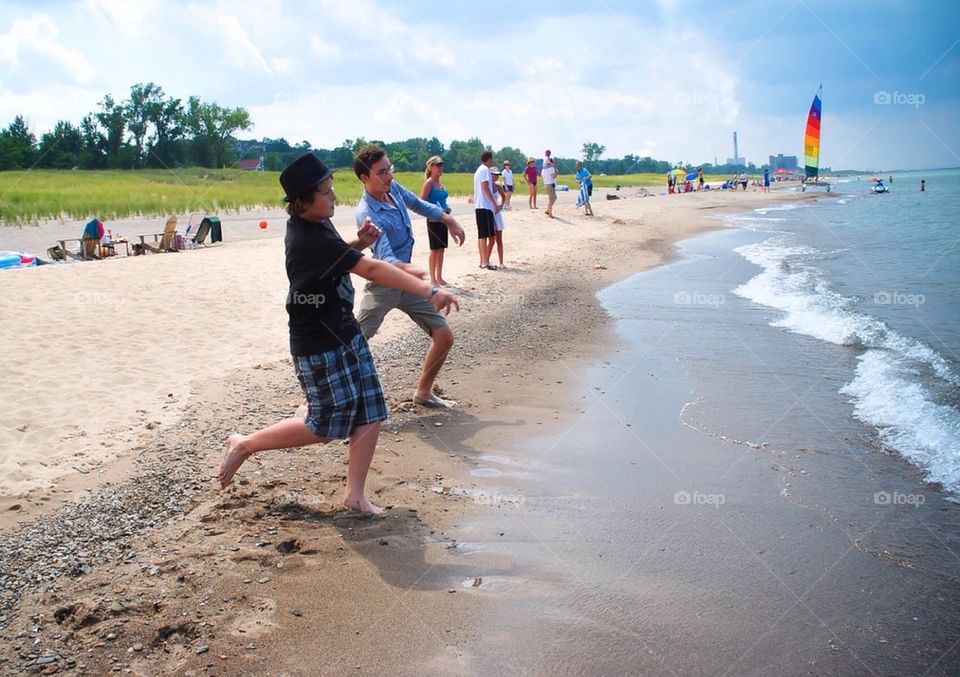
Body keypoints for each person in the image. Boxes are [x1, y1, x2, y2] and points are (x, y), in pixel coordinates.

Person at [216, 153, 461, 514]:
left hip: (344, 332)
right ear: (302, 200)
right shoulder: (308, 237)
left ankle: (355, 495)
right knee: (324, 425)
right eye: (326, 193)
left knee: (372, 411)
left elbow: (339, 260)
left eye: (332, 191)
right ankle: (245, 444)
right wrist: (429, 290)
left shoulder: (317, 223)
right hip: (319, 342)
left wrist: (358, 243)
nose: (333, 198)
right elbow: (372, 269)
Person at [353, 144, 466, 409]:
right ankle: (313, 399)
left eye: (389, 169)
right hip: (384, 284)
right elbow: (387, 258)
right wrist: (416, 275)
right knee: (354, 341)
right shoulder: (366, 213)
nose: (389, 175)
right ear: (364, 178)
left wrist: (448, 219)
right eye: (382, 172)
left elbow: (416, 203)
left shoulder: (392, 188)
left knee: (444, 336)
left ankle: (424, 393)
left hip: (410, 283)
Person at [419, 155, 451, 287]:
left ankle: (439, 276)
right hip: (433, 220)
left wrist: (446, 209)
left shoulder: (440, 183)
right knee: (434, 249)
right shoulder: (429, 183)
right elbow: (421, 202)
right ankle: (432, 278)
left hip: (443, 219)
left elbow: (442, 200)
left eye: (441, 165)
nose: (440, 167)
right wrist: (433, 209)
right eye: (437, 165)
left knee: (442, 248)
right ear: (430, 167)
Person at [473, 150, 500, 270]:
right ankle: (485, 261)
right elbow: (485, 188)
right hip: (485, 206)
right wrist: (494, 203)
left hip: (479, 206)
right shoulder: (484, 170)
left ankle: (483, 261)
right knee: (487, 236)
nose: (492, 161)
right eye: (492, 159)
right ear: (488, 159)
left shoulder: (478, 170)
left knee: (482, 235)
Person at [490, 167, 507, 267]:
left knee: (499, 239)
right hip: (489, 212)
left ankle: (501, 262)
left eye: (497, 175)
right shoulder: (485, 185)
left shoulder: (497, 186)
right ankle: (486, 259)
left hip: (496, 213)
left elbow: (503, 196)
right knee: (490, 239)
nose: (496, 176)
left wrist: (500, 205)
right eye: (494, 174)